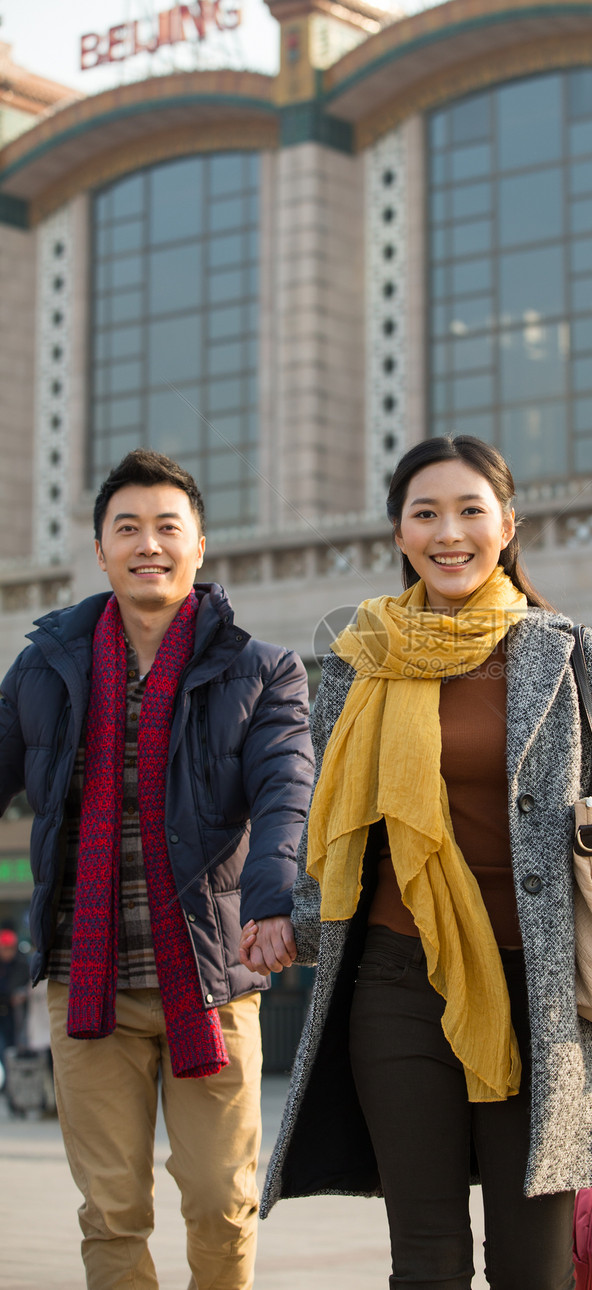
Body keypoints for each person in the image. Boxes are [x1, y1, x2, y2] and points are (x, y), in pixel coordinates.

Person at [249, 435, 592, 1290]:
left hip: (541, 998)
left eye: (471, 510)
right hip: (396, 988)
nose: (451, 531)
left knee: (535, 1268)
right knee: (428, 1261)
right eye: (426, 513)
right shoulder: (356, 662)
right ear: (400, 534)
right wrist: (287, 925)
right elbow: (329, 831)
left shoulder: (573, 657)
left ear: (508, 525)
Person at [0, 450, 314, 1289]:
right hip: (84, 980)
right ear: (100, 552)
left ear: (200, 547)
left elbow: (287, 794)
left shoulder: (261, 670)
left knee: (219, 1199)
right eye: (126, 528)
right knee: (111, 1212)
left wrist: (275, 899)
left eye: (167, 527)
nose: (149, 544)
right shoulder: (45, 669)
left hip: (210, 979)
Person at [0, 927, 30, 1063]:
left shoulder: (22, 964)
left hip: (17, 1014)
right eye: (4, 948)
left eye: (10, 948)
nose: (7, 952)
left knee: (14, 1048)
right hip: (4, 1009)